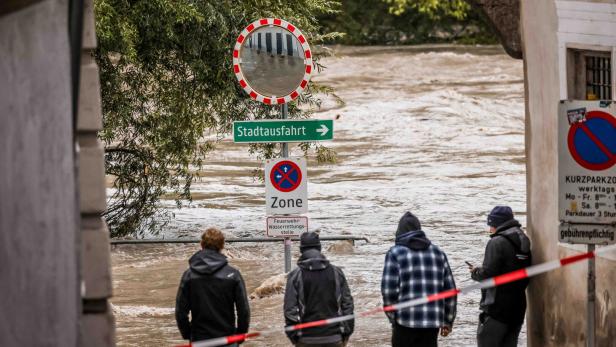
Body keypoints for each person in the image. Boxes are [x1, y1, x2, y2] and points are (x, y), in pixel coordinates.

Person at [381, 211, 457, 347]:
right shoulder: (438, 253)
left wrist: (393, 319)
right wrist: (447, 320)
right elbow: (450, 290)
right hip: (432, 324)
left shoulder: (395, 253)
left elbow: (389, 291)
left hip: (404, 322)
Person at [469, 206, 531, 347]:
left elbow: (488, 275)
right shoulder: (523, 239)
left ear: (496, 224)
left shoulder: (496, 242)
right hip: (518, 307)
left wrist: (475, 272)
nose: (490, 229)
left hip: (497, 308)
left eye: (490, 225)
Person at [175, 227, 250, 345]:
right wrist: (240, 335)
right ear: (222, 246)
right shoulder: (233, 274)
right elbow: (243, 310)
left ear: (201, 244)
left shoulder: (189, 275)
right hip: (227, 338)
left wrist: (188, 334)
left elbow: (180, 311)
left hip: (199, 338)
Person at [284, 231, 354, 347]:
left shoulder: (295, 275)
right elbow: (348, 305)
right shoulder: (337, 272)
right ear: (320, 248)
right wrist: (346, 333)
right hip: (335, 338)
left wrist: (295, 337)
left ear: (301, 250)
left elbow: (289, 311)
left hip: (306, 339)